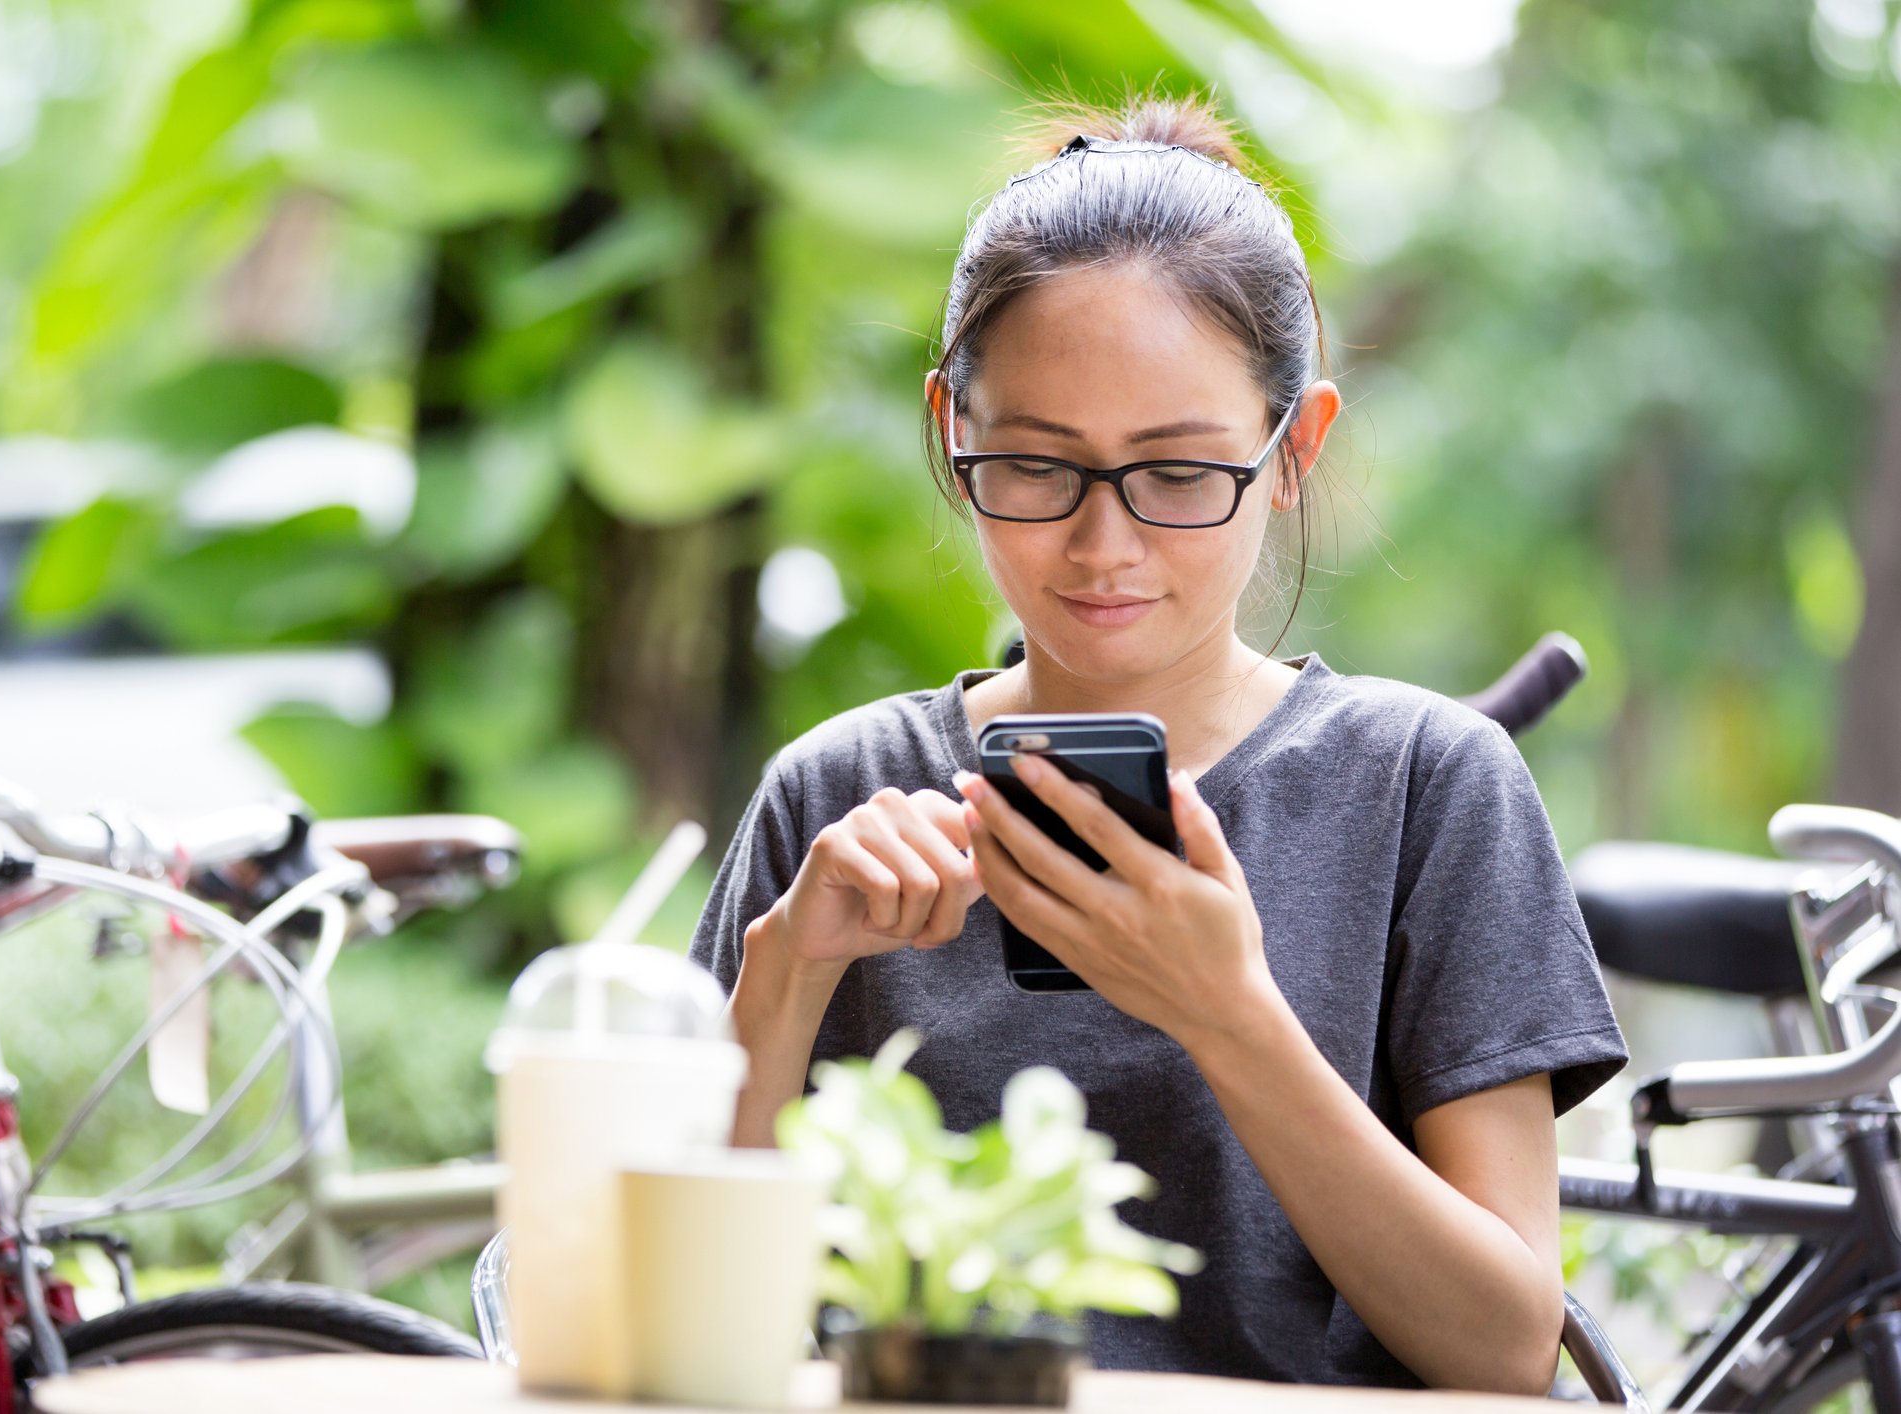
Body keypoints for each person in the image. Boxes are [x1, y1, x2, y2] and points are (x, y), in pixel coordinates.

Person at [687, 91, 1625, 1393]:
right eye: (1033, 463)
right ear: (951, 433)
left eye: (1178, 474)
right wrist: (784, 970)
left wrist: (1224, 1010)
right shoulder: (837, 795)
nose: (1102, 544)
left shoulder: (1422, 788)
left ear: (1293, 447)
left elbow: (1503, 1345)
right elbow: (667, 1312)